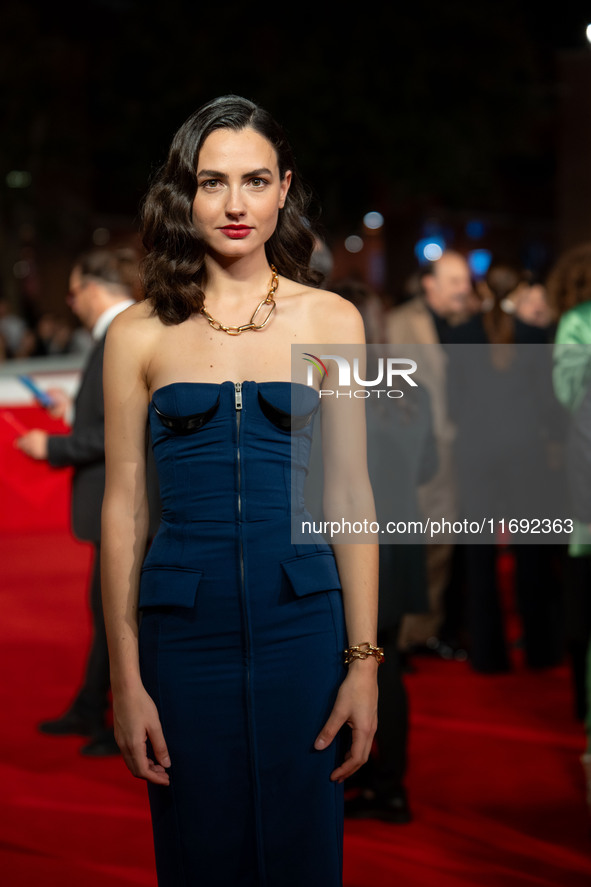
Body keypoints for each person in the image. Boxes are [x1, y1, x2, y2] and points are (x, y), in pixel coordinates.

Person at [100, 95, 379, 886]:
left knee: (303, 851)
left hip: (304, 627)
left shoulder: (330, 321)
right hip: (181, 636)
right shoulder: (139, 332)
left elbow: (352, 493)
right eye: (212, 182)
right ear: (184, 193)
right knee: (200, 853)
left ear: (284, 188)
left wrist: (363, 663)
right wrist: (125, 677)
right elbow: (125, 507)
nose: (234, 204)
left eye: (254, 180)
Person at [16, 248, 146, 756]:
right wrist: (72, 407)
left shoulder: (121, 332)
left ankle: (112, 716)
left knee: (120, 613)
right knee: (110, 610)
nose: (71, 304)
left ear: (94, 288)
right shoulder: (116, 333)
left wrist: (53, 447)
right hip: (116, 500)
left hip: (126, 500)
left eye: (72, 292)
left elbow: (123, 431)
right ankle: (93, 707)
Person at [385, 251, 472, 655]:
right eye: (454, 280)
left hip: (463, 450)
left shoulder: (470, 323)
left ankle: (425, 632)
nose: (464, 288)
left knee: (443, 545)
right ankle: (401, 637)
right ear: (429, 284)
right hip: (417, 452)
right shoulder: (402, 322)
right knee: (415, 543)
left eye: (465, 280)